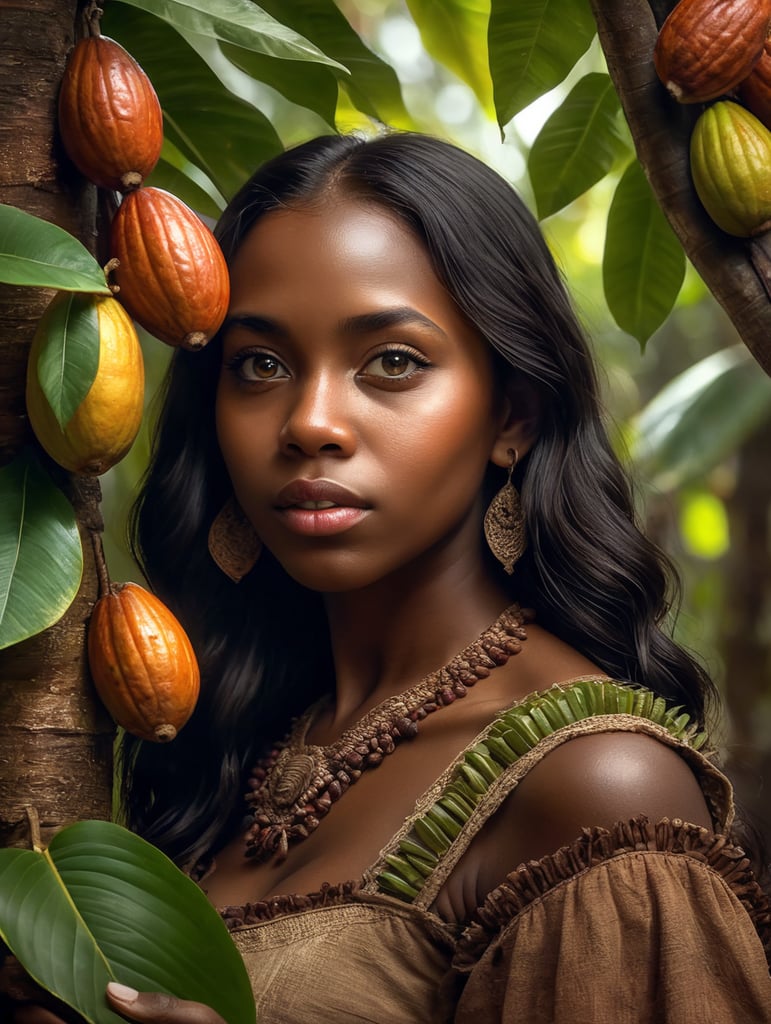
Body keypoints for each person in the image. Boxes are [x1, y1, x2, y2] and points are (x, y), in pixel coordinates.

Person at [7, 131, 771, 1023]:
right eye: (261, 365)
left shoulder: (595, 786)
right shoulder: (221, 742)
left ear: (511, 417)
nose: (310, 423)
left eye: (392, 363)